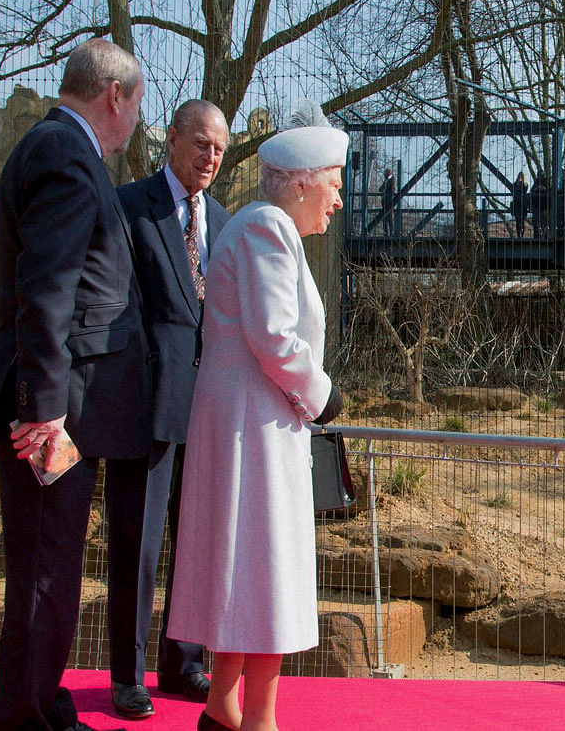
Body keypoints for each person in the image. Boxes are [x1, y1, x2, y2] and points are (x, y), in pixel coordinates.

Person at [0, 38, 150, 731]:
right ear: (115, 96)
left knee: (50, 571)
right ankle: (26, 718)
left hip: (60, 406)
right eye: (137, 106)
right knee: (46, 574)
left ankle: (43, 702)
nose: (136, 121)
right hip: (53, 412)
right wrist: (44, 411)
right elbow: (45, 291)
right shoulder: (63, 155)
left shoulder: (57, 150)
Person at [166, 103, 346, 731]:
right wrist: (326, 397)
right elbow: (276, 338)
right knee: (267, 574)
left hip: (247, 425)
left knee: (241, 571)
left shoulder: (252, 224)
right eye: (335, 184)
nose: (339, 201)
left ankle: (224, 709)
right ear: (301, 182)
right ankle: (258, 717)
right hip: (256, 431)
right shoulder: (269, 227)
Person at [103, 100, 231, 718]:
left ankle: (185, 666)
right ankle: (127, 678)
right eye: (202, 144)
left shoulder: (226, 222)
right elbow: (112, 307)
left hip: (209, 416)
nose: (210, 158)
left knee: (197, 547)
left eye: (221, 150)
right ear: (174, 139)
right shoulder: (130, 207)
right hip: (144, 410)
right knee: (139, 546)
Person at [379, 167, 397, 235]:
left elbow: (392, 188)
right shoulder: (386, 180)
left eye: (385, 173)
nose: (384, 174)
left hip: (389, 199)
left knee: (389, 215)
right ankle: (386, 231)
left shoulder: (392, 179)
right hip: (384, 199)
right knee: (385, 216)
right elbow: (380, 189)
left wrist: (385, 189)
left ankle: (391, 231)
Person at [510, 171, 528, 237]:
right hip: (516, 205)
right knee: (517, 221)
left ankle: (522, 235)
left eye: (521, 176)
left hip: (523, 205)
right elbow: (514, 191)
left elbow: (524, 190)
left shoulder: (525, 184)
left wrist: (521, 183)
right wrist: (518, 184)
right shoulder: (514, 184)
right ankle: (518, 235)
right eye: (519, 176)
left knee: (522, 221)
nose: (519, 178)